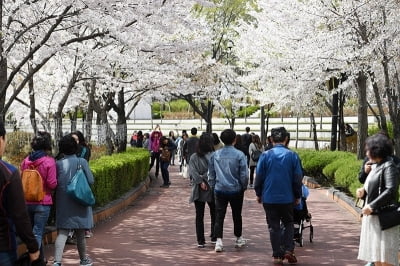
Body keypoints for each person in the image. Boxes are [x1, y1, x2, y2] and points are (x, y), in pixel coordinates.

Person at [254, 127, 303, 265]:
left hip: (269, 197)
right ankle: (288, 249)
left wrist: (258, 193)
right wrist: (297, 195)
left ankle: (277, 255)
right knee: (288, 223)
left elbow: (259, 178)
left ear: (270, 139)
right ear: (286, 139)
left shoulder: (265, 155)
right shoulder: (293, 156)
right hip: (287, 197)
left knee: (273, 226)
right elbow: (297, 178)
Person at [0, 121, 42, 266]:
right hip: (3, 246)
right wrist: (33, 247)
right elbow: (19, 216)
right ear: (1, 139)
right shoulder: (8, 173)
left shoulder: (21, 165)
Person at [356, 133, 399, 266]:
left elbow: (390, 190)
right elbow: (375, 187)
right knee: (377, 258)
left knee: (386, 258)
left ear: (376, 149)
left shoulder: (388, 166)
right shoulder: (377, 165)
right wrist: (363, 192)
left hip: (384, 218)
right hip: (375, 218)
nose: (366, 152)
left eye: (368, 149)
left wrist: (372, 205)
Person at [53, 134, 94, 266]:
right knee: (81, 232)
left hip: (63, 201)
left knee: (63, 232)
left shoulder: (58, 164)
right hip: (80, 201)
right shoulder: (82, 162)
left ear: (61, 149)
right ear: (76, 148)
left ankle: (57, 262)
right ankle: (83, 260)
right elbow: (91, 180)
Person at [208, 129, 248, 252]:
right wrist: (243, 186)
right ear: (234, 139)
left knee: (219, 215)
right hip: (236, 189)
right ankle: (238, 237)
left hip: (220, 189)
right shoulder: (240, 155)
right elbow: (244, 175)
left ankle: (219, 241)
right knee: (237, 214)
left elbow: (211, 173)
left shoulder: (215, 155)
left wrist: (213, 185)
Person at [21, 132, 57, 262]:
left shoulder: (25, 161)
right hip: (43, 202)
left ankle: (40, 260)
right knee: (37, 233)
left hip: (27, 202)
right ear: (46, 145)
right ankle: (33, 261)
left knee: (33, 233)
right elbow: (52, 184)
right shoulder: (49, 161)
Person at [189, 133, 216, 248]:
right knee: (214, 213)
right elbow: (214, 171)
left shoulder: (194, 157)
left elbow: (192, 172)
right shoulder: (215, 155)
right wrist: (206, 179)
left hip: (199, 189)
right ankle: (214, 236)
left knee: (199, 215)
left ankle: (200, 240)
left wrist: (200, 181)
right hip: (212, 187)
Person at [71, 131, 93, 238]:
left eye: (76, 139)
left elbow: (84, 163)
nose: (74, 141)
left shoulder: (84, 150)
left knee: (84, 204)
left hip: (82, 179)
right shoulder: (69, 150)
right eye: (72, 139)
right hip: (71, 180)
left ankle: (86, 228)